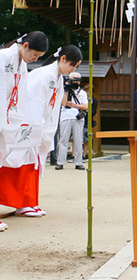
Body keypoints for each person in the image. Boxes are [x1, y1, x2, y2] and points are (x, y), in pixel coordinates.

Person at [23, 45, 82, 216]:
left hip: (44, 124)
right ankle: (24, 202)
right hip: (31, 124)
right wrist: (36, 126)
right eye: (73, 65)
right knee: (26, 163)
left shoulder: (56, 78)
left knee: (35, 164)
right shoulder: (41, 75)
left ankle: (30, 201)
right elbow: (32, 101)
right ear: (63, 59)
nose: (73, 70)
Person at [0, 31, 49, 231]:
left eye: (38, 57)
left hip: (7, 118)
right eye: (35, 55)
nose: (35, 59)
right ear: (25, 45)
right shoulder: (3, 57)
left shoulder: (22, 66)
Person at [55, 71, 88, 170]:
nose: (75, 82)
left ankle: (78, 162)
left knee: (78, 140)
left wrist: (74, 105)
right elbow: (64, 103)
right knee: (63, 140)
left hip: (78, 117)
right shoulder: (64, 91)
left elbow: (85, 106)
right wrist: (65, 90)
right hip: (66, 116)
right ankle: (60, 162)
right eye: (73, 80)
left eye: (77, 80)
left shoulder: (82, 93)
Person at [82, 82, 98, 160]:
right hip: (80, 119)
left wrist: (88, 111)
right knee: (77, 138)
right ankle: (74, 155)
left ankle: (84, 154)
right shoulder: (81, 99)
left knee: (86, 138)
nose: (88, 93)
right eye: (87, 91)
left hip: (88, 121)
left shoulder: (94, 100)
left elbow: (94, 111)